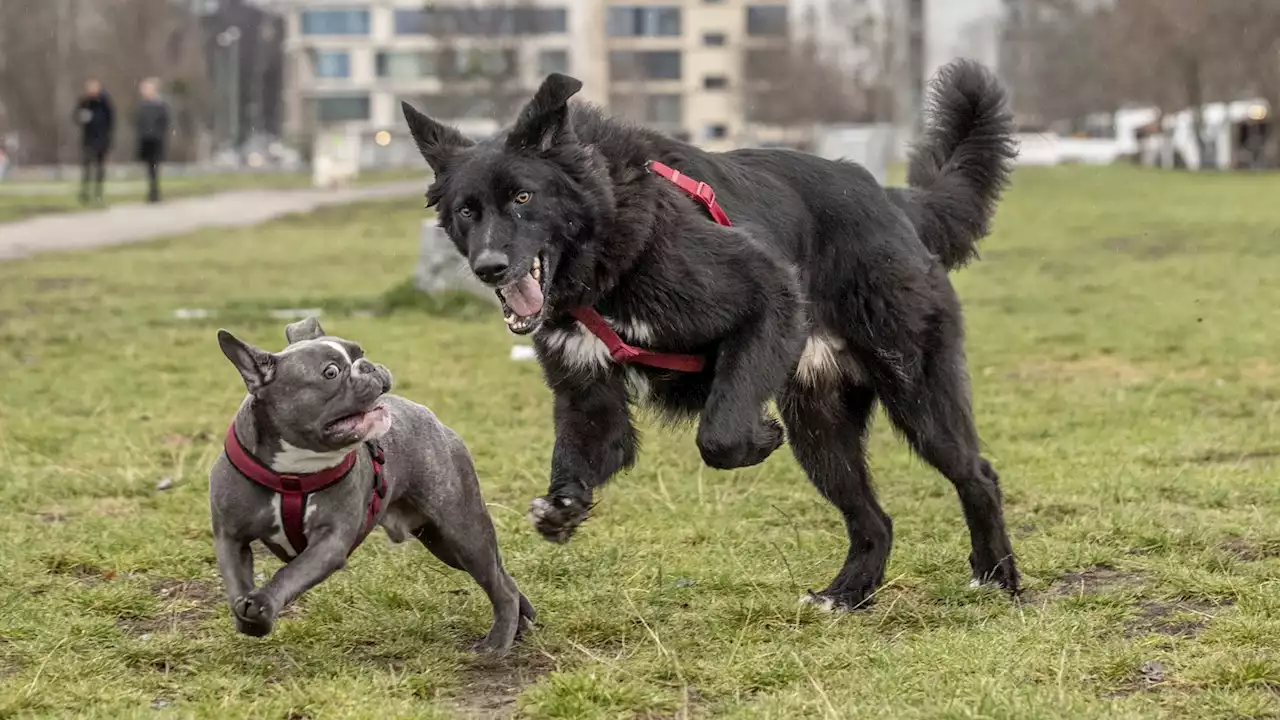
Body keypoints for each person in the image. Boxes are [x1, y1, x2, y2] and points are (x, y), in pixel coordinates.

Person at [74, 78, 114, 204]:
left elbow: (111, 121)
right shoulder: (84, 102)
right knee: (86, 166)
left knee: (100, 167)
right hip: (88, 139)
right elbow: (75, 116)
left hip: (102, 138)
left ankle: (98, 192)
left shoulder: (104, 102)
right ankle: (85, 192)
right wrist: (82, 118)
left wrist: (109, 138)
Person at [135, 78, 170, 203]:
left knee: (155, 166)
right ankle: (151, 191)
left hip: (156, 140)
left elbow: (164, 122)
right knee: (149, 167)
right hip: (145, 140)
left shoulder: (160, 106)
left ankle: (155, 192)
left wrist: (159, 134)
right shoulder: (142, 106)